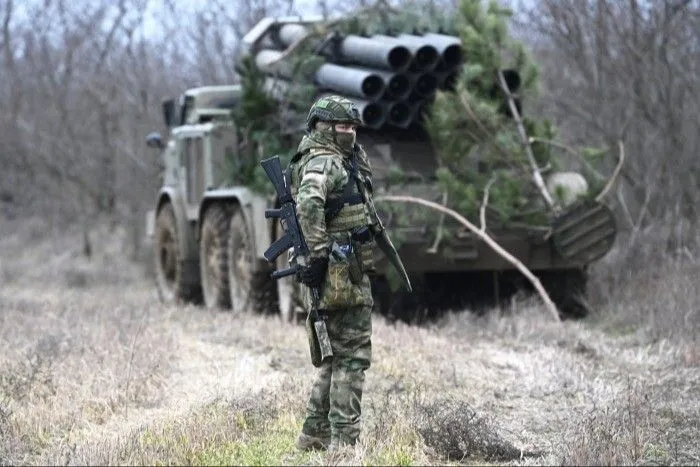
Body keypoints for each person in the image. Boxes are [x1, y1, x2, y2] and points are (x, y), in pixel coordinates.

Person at [288, 95, 380, 452]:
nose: (350, 133)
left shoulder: (342, 158)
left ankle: (313, 435)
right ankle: (343, 444)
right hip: (340, 273)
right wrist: (320, 255)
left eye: (353, 126)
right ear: (323, 127)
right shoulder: (324, 161)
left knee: (336, 355)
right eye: (343, 126)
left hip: (342, 269)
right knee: (353, 357)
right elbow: (309, 202)